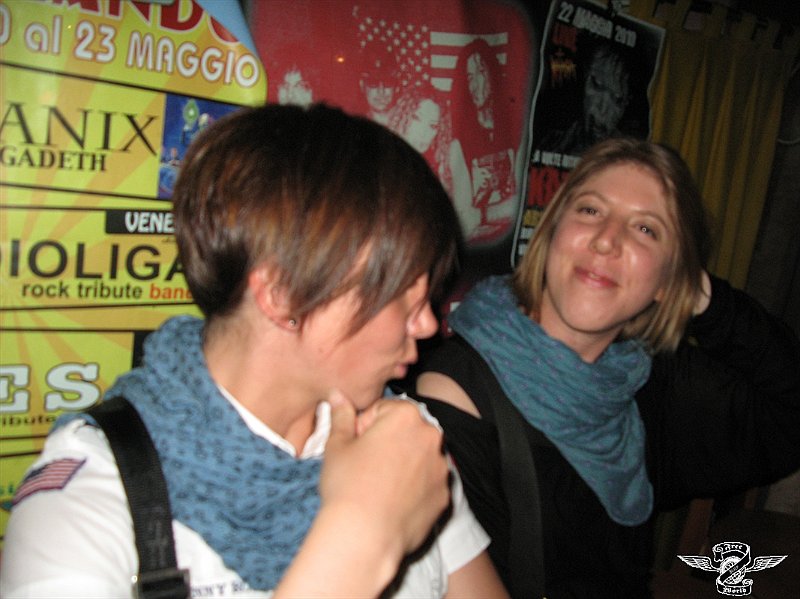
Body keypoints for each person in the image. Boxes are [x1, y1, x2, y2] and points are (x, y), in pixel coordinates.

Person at [0, 103, 509, 598]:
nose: (427, 323)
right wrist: (364, 532)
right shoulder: (86, 504)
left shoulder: (400, 436)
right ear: (283, 294)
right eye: (402, 292)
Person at [410, 137, 800, 597]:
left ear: (669, 277)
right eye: (591, 210)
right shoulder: (456, 396)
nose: (607, 239)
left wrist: (705, 300)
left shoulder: (642, 380)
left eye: (646, 229)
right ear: (552, 232)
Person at [448, 38, 519, 245]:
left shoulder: (512, 128)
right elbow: (466, 219)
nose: (476, 85)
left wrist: (486, 213)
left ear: (492, 74)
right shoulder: (457, 141)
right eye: (470, 77)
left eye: (481, 72)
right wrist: (497, 211)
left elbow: (520, 199)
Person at [540, 42, 632, 158]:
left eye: (618, 100)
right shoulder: (553, 142)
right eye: (597, 85)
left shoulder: (628, 159)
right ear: (585, 75)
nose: (603, 109)